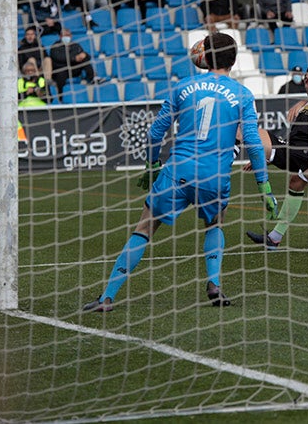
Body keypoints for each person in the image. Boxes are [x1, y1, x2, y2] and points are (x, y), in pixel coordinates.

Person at [83, 33, 272, 311]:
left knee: (144, 228)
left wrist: (151, 165)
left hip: (177, 170)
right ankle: (214, 282)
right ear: (234, 60)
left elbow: (155, 132)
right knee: (215, 224)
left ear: (205, 57)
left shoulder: (183, 86)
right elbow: (254, 145)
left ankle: (108, 296)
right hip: (214, 175)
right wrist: (263, 186)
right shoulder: (243, 95)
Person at [246, 64, 308, 249]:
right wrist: (260, 156)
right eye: (306, 80)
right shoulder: (307, 104)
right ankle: (274, 237)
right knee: (252, 133)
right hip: (293, 148)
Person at [48, 29, 97, 93]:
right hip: (61, 69)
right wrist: (74, 58)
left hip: (74, 69)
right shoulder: (55, 46)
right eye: (64, 35)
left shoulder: (75, 45)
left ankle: (92, 78)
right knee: (61, 74)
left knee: (84, 59)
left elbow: (86, 56)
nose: (67, 37)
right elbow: (58, 57)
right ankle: (61, 96)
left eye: (68, 35)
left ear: (71, 36)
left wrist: (84, 55)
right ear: (60, 36)